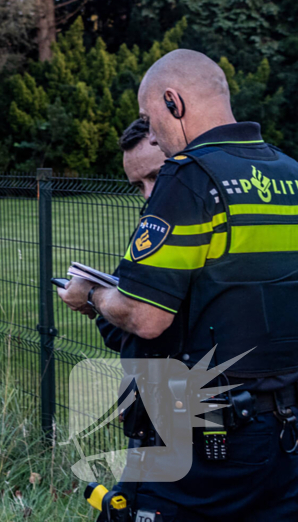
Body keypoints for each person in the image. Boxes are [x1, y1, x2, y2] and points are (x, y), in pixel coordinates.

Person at [59, 49, 298, 520]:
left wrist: (92, 295)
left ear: (174, 102)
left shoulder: (189, 177)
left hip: (206, 431)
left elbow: (146, 318)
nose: (156, 138)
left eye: (151, 120)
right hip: (286, 430)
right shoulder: (290, 174)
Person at [96, 119, 167, 355]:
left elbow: (133, 319)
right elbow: (112, 327)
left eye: (156, 176)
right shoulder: (149, 227)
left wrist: (91, 295)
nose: (148, 194)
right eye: (138, 185)